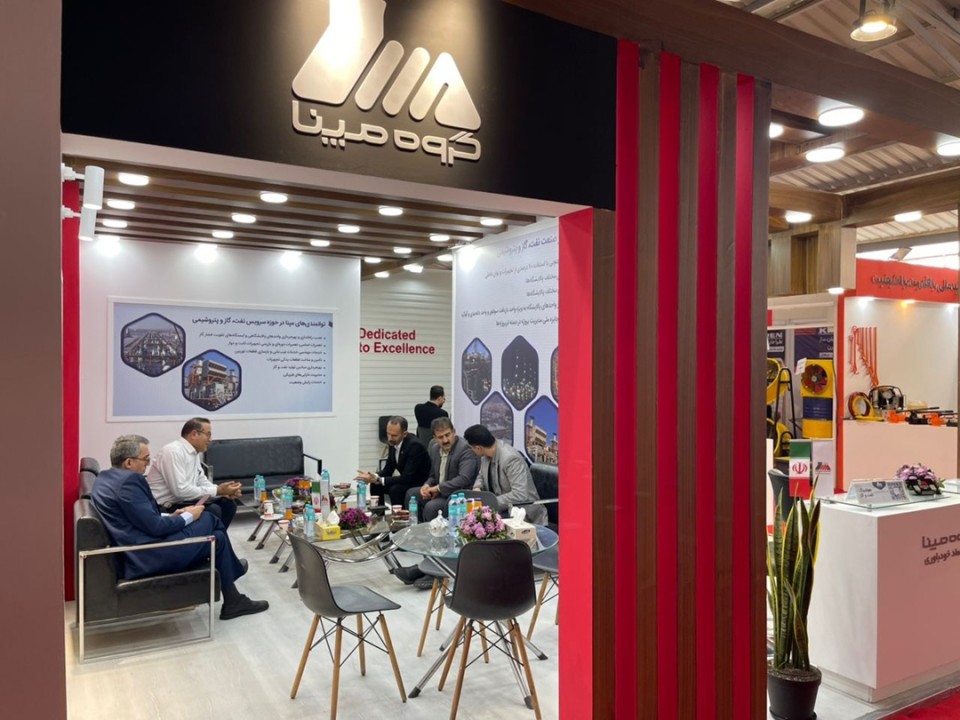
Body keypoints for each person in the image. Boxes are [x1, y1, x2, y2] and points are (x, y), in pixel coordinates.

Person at [92, 435, 268, 620]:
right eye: (145, 459)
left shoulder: (105, 478)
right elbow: (156, 527)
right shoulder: (129, 482)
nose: (148, 464)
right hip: (148, 554)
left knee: (217, 537)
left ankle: (233, 601)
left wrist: (173, 516)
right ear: (129, 462)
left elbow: (139, 519)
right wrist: (188, 516)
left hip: (136, 548)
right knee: (210, 519)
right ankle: (232, 576)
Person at [394, 417, 479, 585]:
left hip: (458, 497)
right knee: (412, 494)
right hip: (441, 491)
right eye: (440, 437)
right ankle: (422, 549)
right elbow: (433, 475)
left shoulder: (465, 450)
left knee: (432, 508)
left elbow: (464, 479)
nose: (445, 440)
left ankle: (435, 570)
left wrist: (438, 489)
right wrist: (427, 486)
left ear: (454, 432)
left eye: (448, 435)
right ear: (434, 437)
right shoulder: (434, 448)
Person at [147, 417, 242, 529]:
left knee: (228, 504)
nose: (210, 439)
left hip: (183, 501)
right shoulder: (173, 452)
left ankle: (217, 537)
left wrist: (223, 492)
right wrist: (218, 490)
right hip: (165, 506)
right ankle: (208, 538)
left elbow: (201, 481)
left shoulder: (193, 453)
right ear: (194, 434)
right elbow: (180, 491)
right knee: (212, 510)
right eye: (208, 434)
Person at [463, 424, 548, 525]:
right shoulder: (485, 455)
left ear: (478, 448)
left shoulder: (510, 458)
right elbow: (481, 475)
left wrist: (490, 502)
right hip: (502, 510)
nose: (472, 451)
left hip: (523, 516)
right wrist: (477, 488)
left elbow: (520, 494)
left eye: (472, 448)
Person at [355, 415, 430, 507]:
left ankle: (399, 514)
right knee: (375, 485)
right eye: (388, 434)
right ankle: (378, 513)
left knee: (395, 490)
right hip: (406, 479)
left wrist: (379, 479)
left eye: (394, 435)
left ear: (404, 434)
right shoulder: (392, 442)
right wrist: (373, 476)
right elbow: (388, 470)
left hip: (418, 482)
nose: (390, 438)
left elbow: (407, 477)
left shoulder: (415, 446)